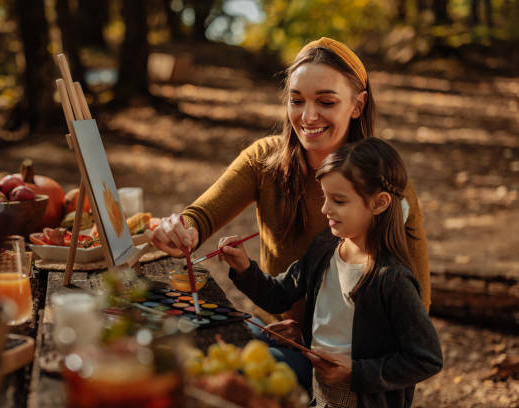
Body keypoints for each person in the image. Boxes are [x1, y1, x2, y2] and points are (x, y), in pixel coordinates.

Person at [145, 37, 431, 391]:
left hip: (344, 362)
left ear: (357, 105)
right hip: (277, 335)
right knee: (178, 345)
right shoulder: (264, 160)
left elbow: (417, 306)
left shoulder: (383, 185)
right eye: (296, 100)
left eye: (326, 101)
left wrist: (320, 334)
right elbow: (201, 215)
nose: (308, 116)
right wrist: (181, 228)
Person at [217, 137, 443, 408]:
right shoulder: (325, 248)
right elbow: (280, 295)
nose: (325, 208)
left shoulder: (392, 279)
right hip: (320, 392)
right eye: (325, 196)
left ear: (379, 203)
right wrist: (244, 268)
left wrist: (355, 371)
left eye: (338, 200)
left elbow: (426, 358)